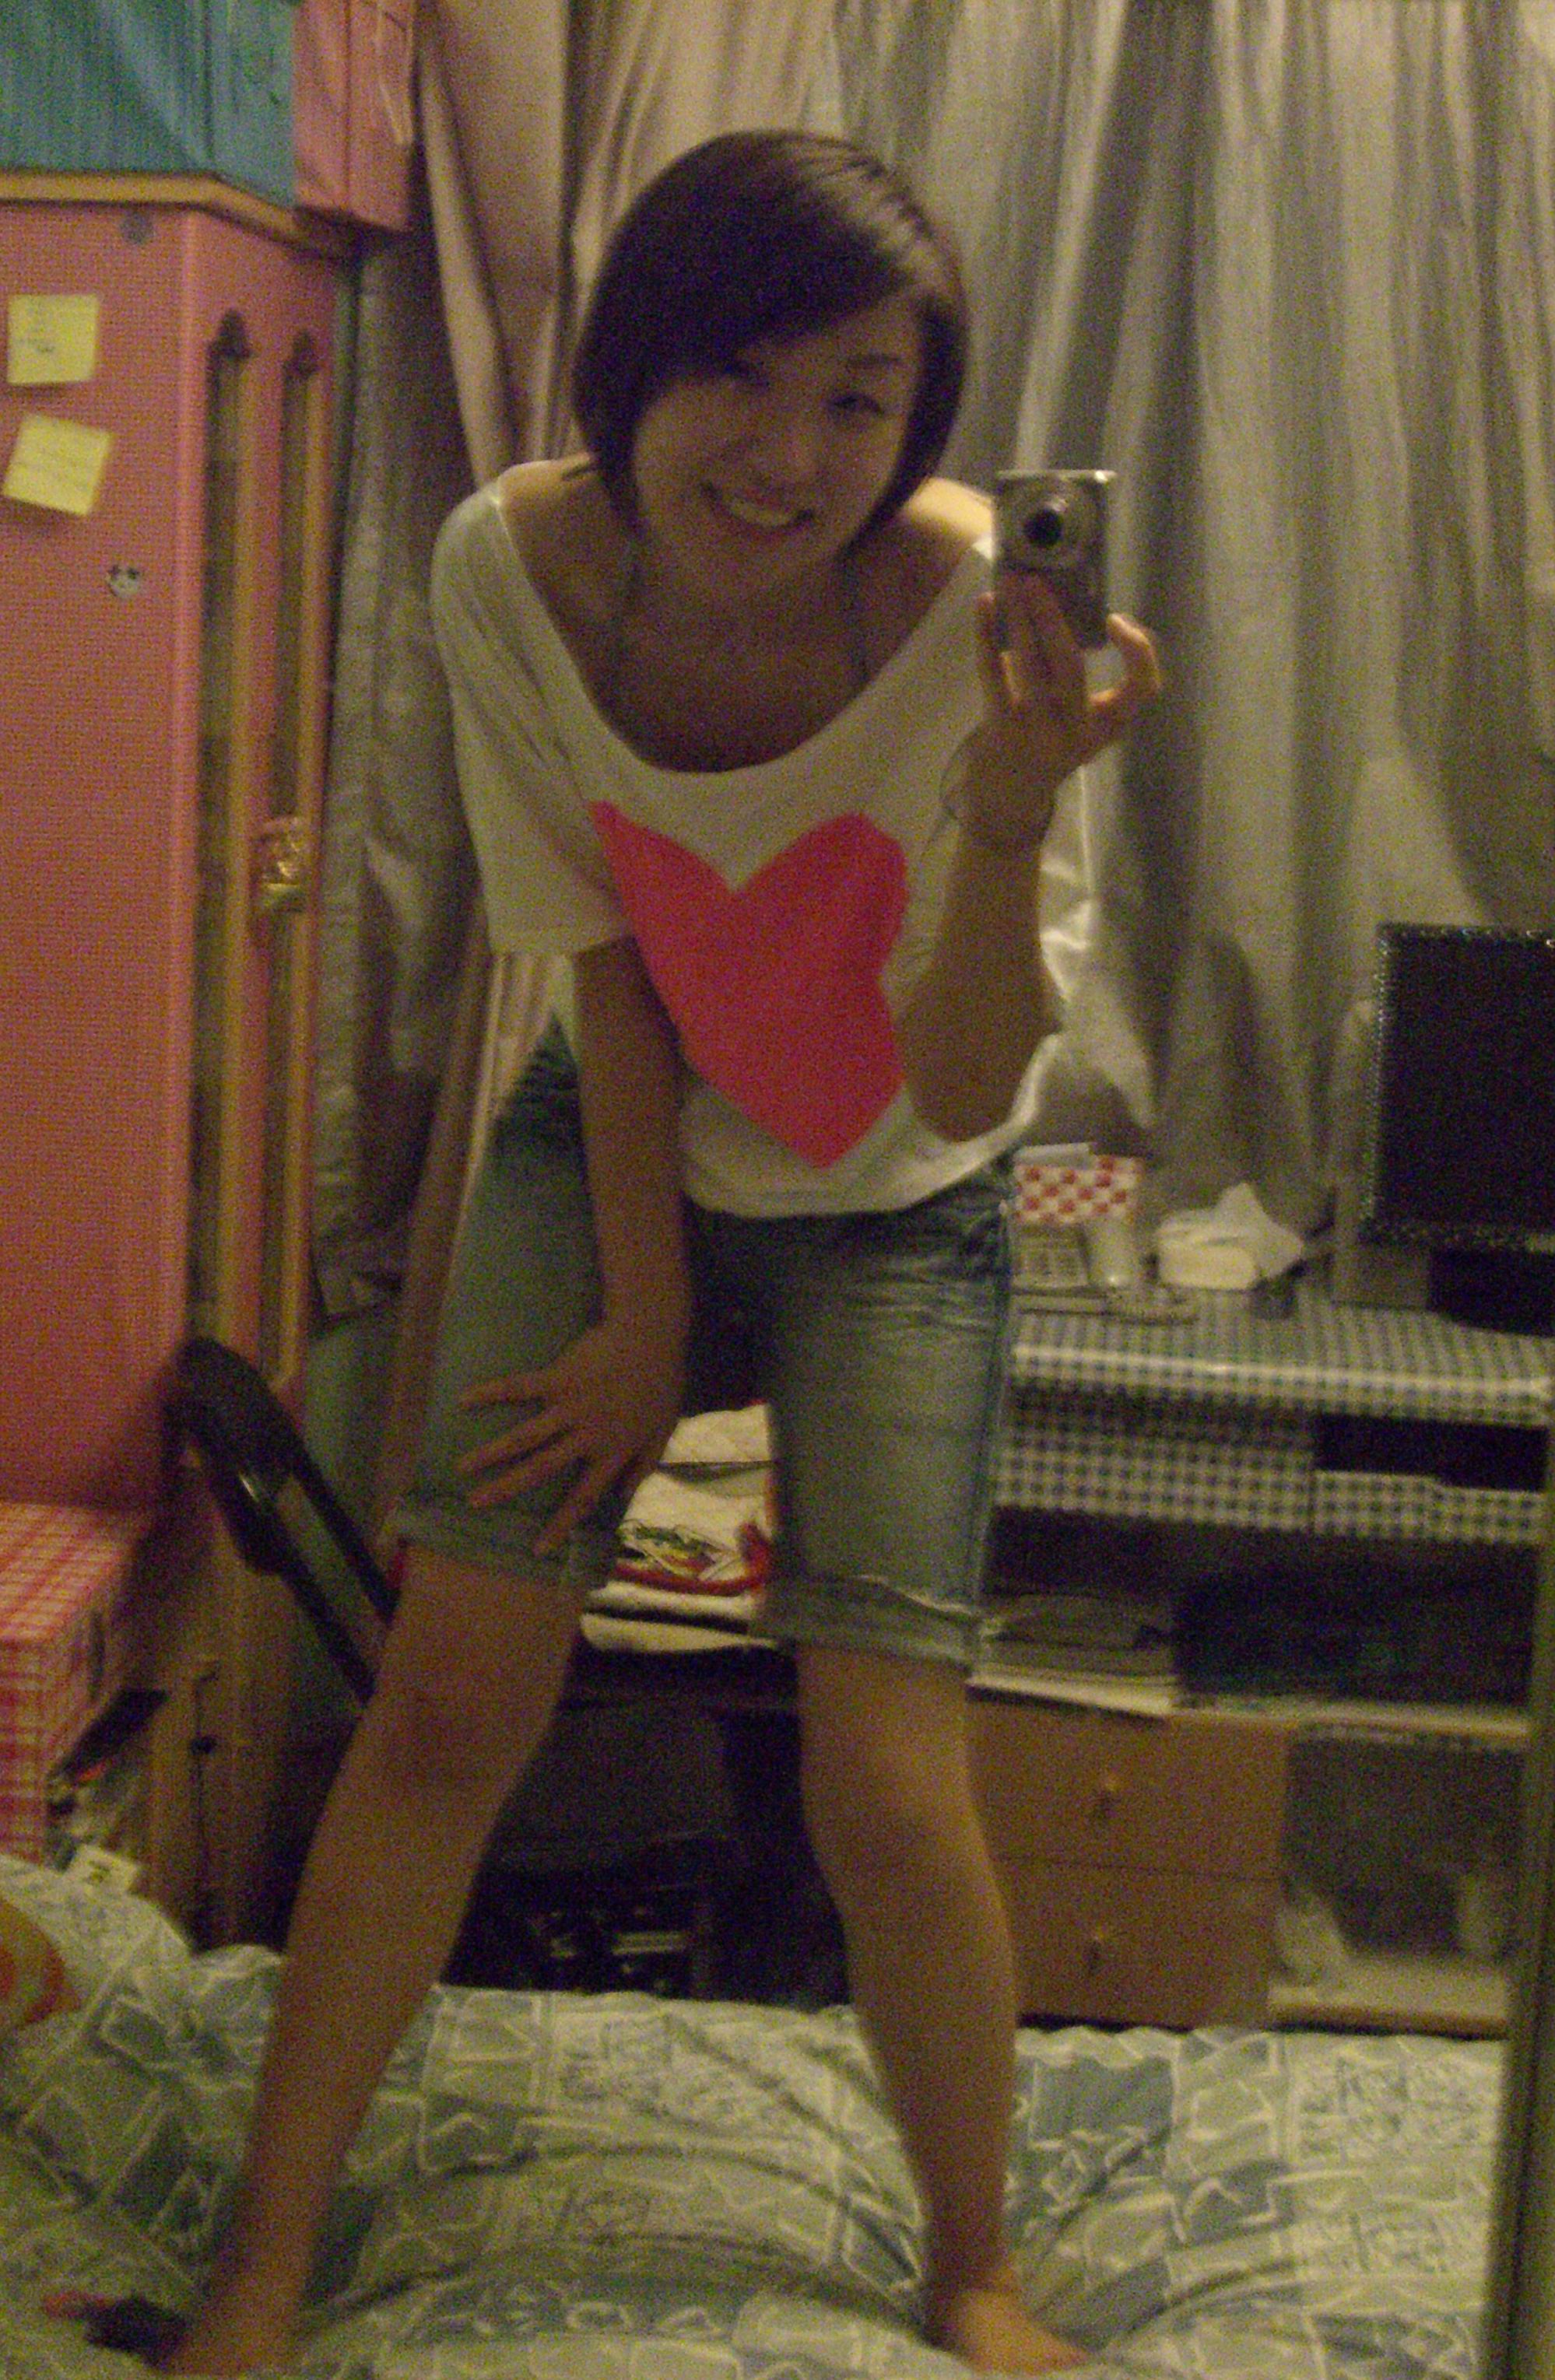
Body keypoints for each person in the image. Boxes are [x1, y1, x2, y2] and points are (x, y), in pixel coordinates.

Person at [167, 129, 1160, 2377]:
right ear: (632, 360)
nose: (789, 455)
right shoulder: (506, 566)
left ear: (920, 426)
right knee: (448, 1698)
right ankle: (261, 2264)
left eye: (859, 399)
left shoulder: (972, 624)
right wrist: (644, 1313)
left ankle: (975, 2266)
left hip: (902, 1200)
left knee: (884, 1776)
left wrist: (1013, 803)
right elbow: (606, 971)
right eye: (738, 374)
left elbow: (968, 1085)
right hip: (621, 1134)